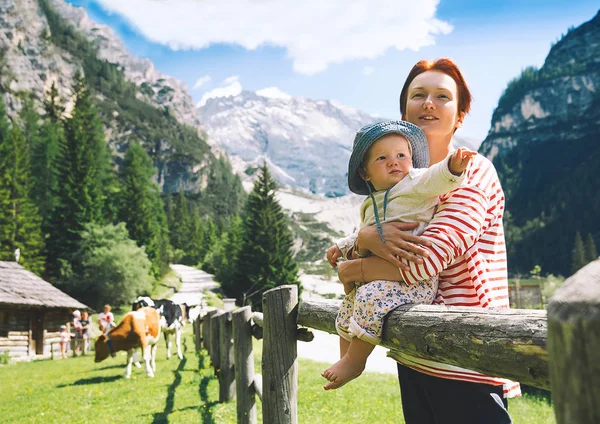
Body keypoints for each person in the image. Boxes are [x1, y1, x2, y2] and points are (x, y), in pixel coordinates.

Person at [327, 58, 519, 424]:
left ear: (460, 115)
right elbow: (368, 239)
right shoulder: (397, 183)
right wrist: (365, 237)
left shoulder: (471, 171)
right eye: (418, 95)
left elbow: (426, 261)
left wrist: (355, 266)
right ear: (404, 111)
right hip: (413, 347)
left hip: (467, 355)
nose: (428, 103)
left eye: (442, 96)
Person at [321, 120, 476, 390]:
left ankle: (356, 361)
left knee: (369, 296)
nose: (394, 162)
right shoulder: (372, 201)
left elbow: (436, 176)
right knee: (348, 304)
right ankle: (345, 357)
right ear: (366, 173)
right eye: (382, 158)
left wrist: (453, 166)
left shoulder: (414, 183)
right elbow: (364, 232)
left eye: (401, 156)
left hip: (413, 281)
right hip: (381, 277)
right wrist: (341, 246)